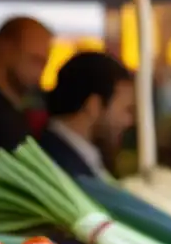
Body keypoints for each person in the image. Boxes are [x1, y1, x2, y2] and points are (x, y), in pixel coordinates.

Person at [40, 51, 134, 179]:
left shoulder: (75, 155)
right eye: (126, 109)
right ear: (94, 105)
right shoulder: (58, 166)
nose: (129, 121)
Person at [0, 16, 52, 159]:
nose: (40, 72)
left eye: (44, 63)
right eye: (35, 60)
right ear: (4, 49)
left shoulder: (13, 112)